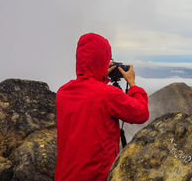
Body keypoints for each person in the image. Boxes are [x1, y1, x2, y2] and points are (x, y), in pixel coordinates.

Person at [55, 33, 149, 181]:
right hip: (95, 176)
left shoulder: (63, 93)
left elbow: (90, 97)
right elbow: (141, 113)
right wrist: (132, 84)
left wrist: (100, 77)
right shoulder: (107, 94)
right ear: (102, 59)